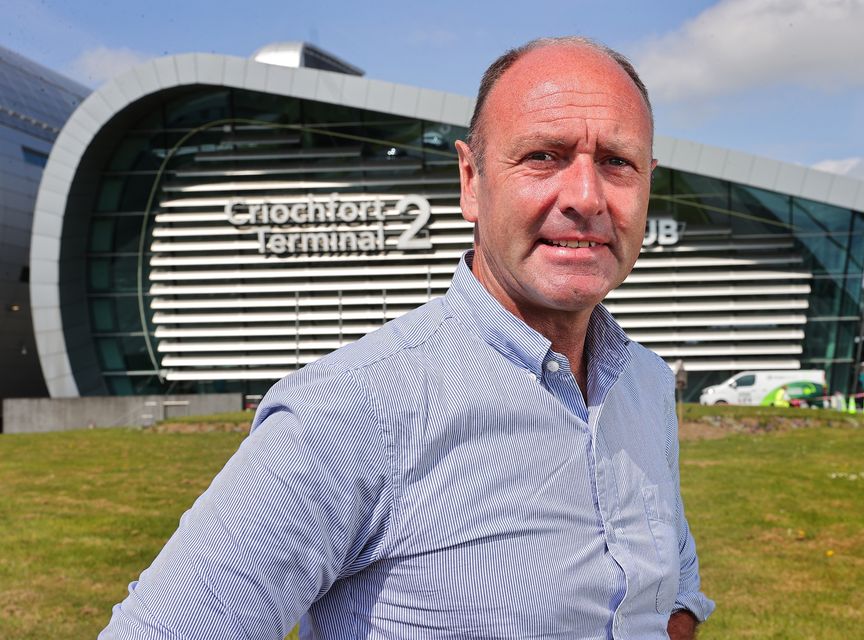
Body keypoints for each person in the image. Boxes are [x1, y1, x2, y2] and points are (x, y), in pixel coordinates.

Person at [101, 36, 714, 639]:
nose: (586, 197)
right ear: (471, 181)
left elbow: (670, 588)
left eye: (617, 162)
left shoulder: (646, 384)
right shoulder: (348, 412)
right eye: (544, 157)